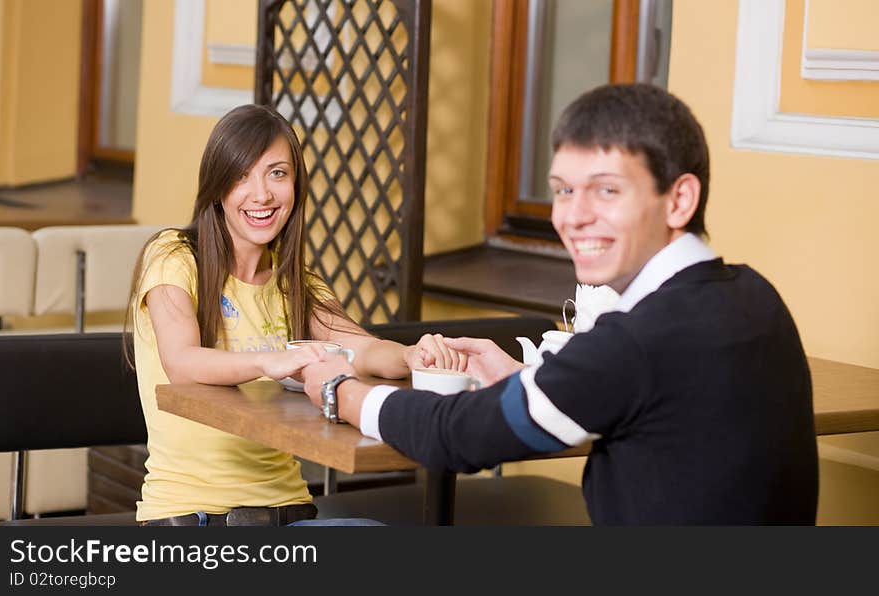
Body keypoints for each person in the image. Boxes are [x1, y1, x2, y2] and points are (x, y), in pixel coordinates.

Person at [300, 83, 819, 525]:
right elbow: (630, 398)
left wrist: (343, 393)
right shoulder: (756, 296)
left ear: (679, 200)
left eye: (606, 191)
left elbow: (455, 436)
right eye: (564, 190)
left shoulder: (636, 340)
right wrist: (520, 380)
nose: (573, 216)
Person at [125, 103, 464, 526]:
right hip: (193, 517)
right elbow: (182, 362)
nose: (262, 194)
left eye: (277, 173)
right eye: (241, 175)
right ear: (217, 187)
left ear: (296, 186)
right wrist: (269, 360)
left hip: (293, 515)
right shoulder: (174, 257)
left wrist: (412, 356)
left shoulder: (297, 285)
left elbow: (361, 347)